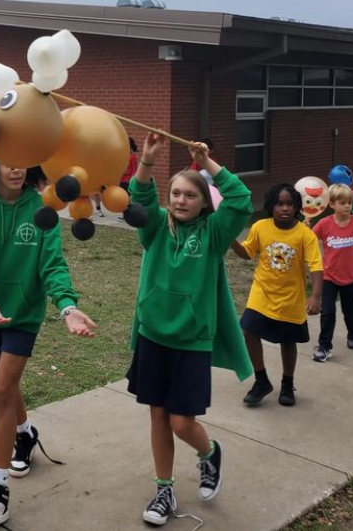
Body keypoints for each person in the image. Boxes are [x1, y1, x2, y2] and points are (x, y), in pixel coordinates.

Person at [0, 151, 97, 530]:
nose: (16, 168)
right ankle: (26, 434)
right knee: (7, 386)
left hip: (25, 315)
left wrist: (68, 307)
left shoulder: (43, 210)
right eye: (7, 161)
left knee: (3, 390)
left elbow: (52, 264)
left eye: (22, 160)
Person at [128, 134, 253, 526]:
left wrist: (208, 162)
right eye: (176, 194)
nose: (181, 200)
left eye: (190, 195)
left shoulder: (214, 235)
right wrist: (146, 162)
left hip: (191, 340)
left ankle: (209, 452)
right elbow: (140, 198)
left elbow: (241, 200)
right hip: (153, 335)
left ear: (203, 201)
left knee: (182, 422)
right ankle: (163, 489)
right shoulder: (155, 231)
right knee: (158, 417)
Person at [232, 184, 323, 408]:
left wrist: (316, 297)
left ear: (296, 207)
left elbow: (316, 266)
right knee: (248, 330)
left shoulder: (305, 234)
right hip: (262, 292)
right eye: (279, 204)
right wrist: (231, 240)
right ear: (271, 207)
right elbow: (247, 252)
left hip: (290, 297)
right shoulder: (260, 227)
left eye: (289, 204)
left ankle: (287, 384)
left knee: (287, 341)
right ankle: (261, 381)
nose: (284, 208)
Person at [311, 184, 353, 361]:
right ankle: (324, 346)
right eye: (343, 202)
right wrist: (306, 226)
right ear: (332, 204)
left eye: (350, 203)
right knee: (327, 312)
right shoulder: (324, 224)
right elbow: (310, 239)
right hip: (329, 275)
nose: (347, 206)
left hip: (351, 276)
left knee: (350, 310)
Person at [116, 137, 139, 221]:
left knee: (127, 198)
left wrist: (131, 179)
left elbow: (134, 169)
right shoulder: (124, 156)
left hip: (127, 180)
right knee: (123, 197)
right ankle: (124, 214)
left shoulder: (132, 157)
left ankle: (128, 214)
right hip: (122, 179)